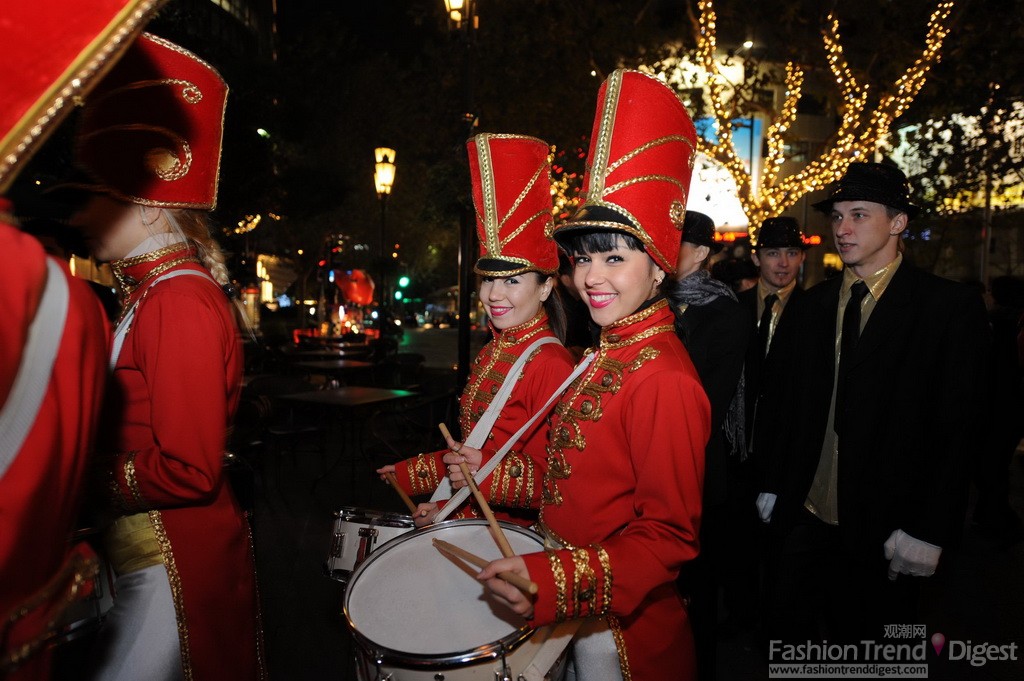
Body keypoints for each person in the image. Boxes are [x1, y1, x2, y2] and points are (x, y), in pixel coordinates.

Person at [446, 69, 710, 681]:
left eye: (615, 257)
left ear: (659, 268)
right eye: (584, 257)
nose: (592, 275)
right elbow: (566, 486)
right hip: (570, 612)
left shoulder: (664, 376)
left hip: (621, 638)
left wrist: (551, 580)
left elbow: (668, 535)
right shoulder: (603, 354)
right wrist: (479, 470)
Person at [64, 34, 265, 680]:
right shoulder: (152, 293)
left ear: (153, 209)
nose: (88, 212)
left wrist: (88, 481)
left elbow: (189, 467)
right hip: (147, 552)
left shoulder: (178, 300)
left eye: (105, 192)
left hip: (173, 558)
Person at [756, 162, 990, 644]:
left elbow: (958, 430)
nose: (842, 229)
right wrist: (774, 484)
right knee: (789, 647)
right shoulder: (811, 306)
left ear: (898, 222)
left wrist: (930, 530)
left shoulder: (945, 309)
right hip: (805, 516)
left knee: (872, 652)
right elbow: (787, 407)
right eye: (837, 216)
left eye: (858, 215)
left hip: (888, 530)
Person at [377, 133, 574, 527]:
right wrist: (411, 476)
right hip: (475, 516)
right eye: (487, 280)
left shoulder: (551, 364)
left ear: (547, 286)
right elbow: (475, 450)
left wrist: (476, 472)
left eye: (513, 281)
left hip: (513, 537)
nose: (493, 294)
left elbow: (559, 485)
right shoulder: (494, 348)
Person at [670, 210, 752, 681]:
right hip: (650, 468)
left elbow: (705, 402)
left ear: (701, 253)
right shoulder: (649, 303)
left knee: (695, 591)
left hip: (698, 470)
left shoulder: (724, 312)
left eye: (674, 243)